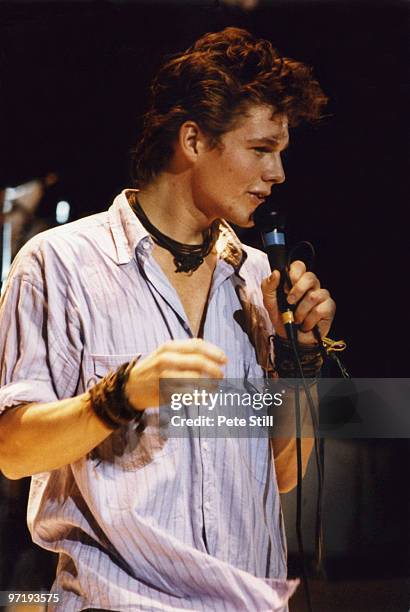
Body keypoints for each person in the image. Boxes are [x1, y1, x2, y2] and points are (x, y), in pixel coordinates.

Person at [0, 27, 335, 611]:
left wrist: (301, 356)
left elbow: (284, 475)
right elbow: (13, 450)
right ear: (193, 141)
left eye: (281, 151)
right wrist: (121, 394)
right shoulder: (60, 264)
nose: (278, 172)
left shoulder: (259, 277)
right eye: (260, 149)